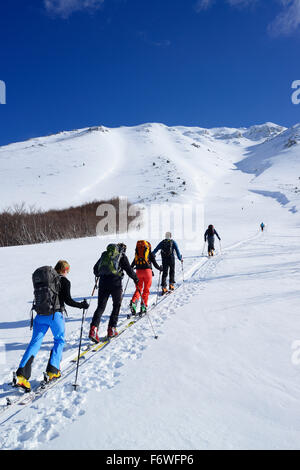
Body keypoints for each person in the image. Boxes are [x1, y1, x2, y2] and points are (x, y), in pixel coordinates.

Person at [15, 260, 88, 391]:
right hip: (55, 316)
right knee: (59, 340)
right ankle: (52, 371)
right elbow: (68, 301)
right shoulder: (64, 281)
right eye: (68, 270)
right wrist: (82, 305)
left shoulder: (46, 281)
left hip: (40, 315)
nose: (68, 273)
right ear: (65, 269)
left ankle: (21, 375)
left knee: (35, 342)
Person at [89, 243, 138, 342]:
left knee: (101, 307)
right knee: (116, 305)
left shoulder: (104, 255)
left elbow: (95, 270)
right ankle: (111, 329)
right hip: (116, 283)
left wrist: (102, 273)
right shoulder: (122, 256)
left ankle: (93, 329)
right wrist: (136, 279)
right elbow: (129, 270)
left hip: (103, 282)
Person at [130, 240, 162, 315]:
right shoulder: (149, 253)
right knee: (146, 290)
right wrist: (160, 268)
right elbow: (155, 264)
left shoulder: (137, 254)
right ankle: (143, 306)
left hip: (138, 272)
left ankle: (134, 302)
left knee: (138, 288)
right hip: (147, 272)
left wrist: (130, 269)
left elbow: (132, 265)